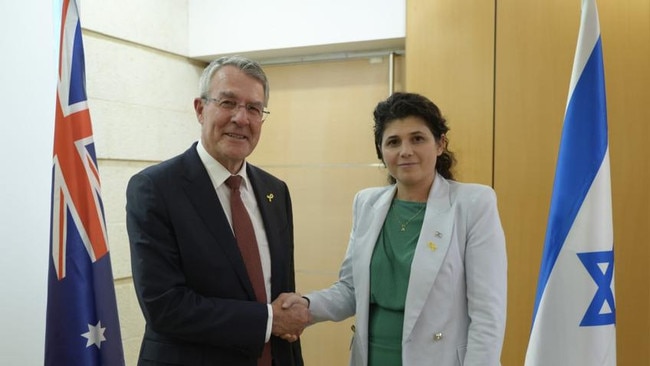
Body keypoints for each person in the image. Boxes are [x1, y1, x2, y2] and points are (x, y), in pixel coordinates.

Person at [284, 92, 507, 365]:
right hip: (373, 357)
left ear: (440, 144)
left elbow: (488, 313)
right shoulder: (366, 203)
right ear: (381, 152)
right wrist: (306, 306)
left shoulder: (473, 204)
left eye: (417, 138)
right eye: (393, 142)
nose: (405, 151)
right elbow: (351, 290)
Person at [126, 55, 308, 366]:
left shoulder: (275, 191)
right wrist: (267, 320)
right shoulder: (155, 189)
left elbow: (279, 296)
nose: (241, 118)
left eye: (253, 108)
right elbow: (165, 306)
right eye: (228, 103)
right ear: (200, 109)